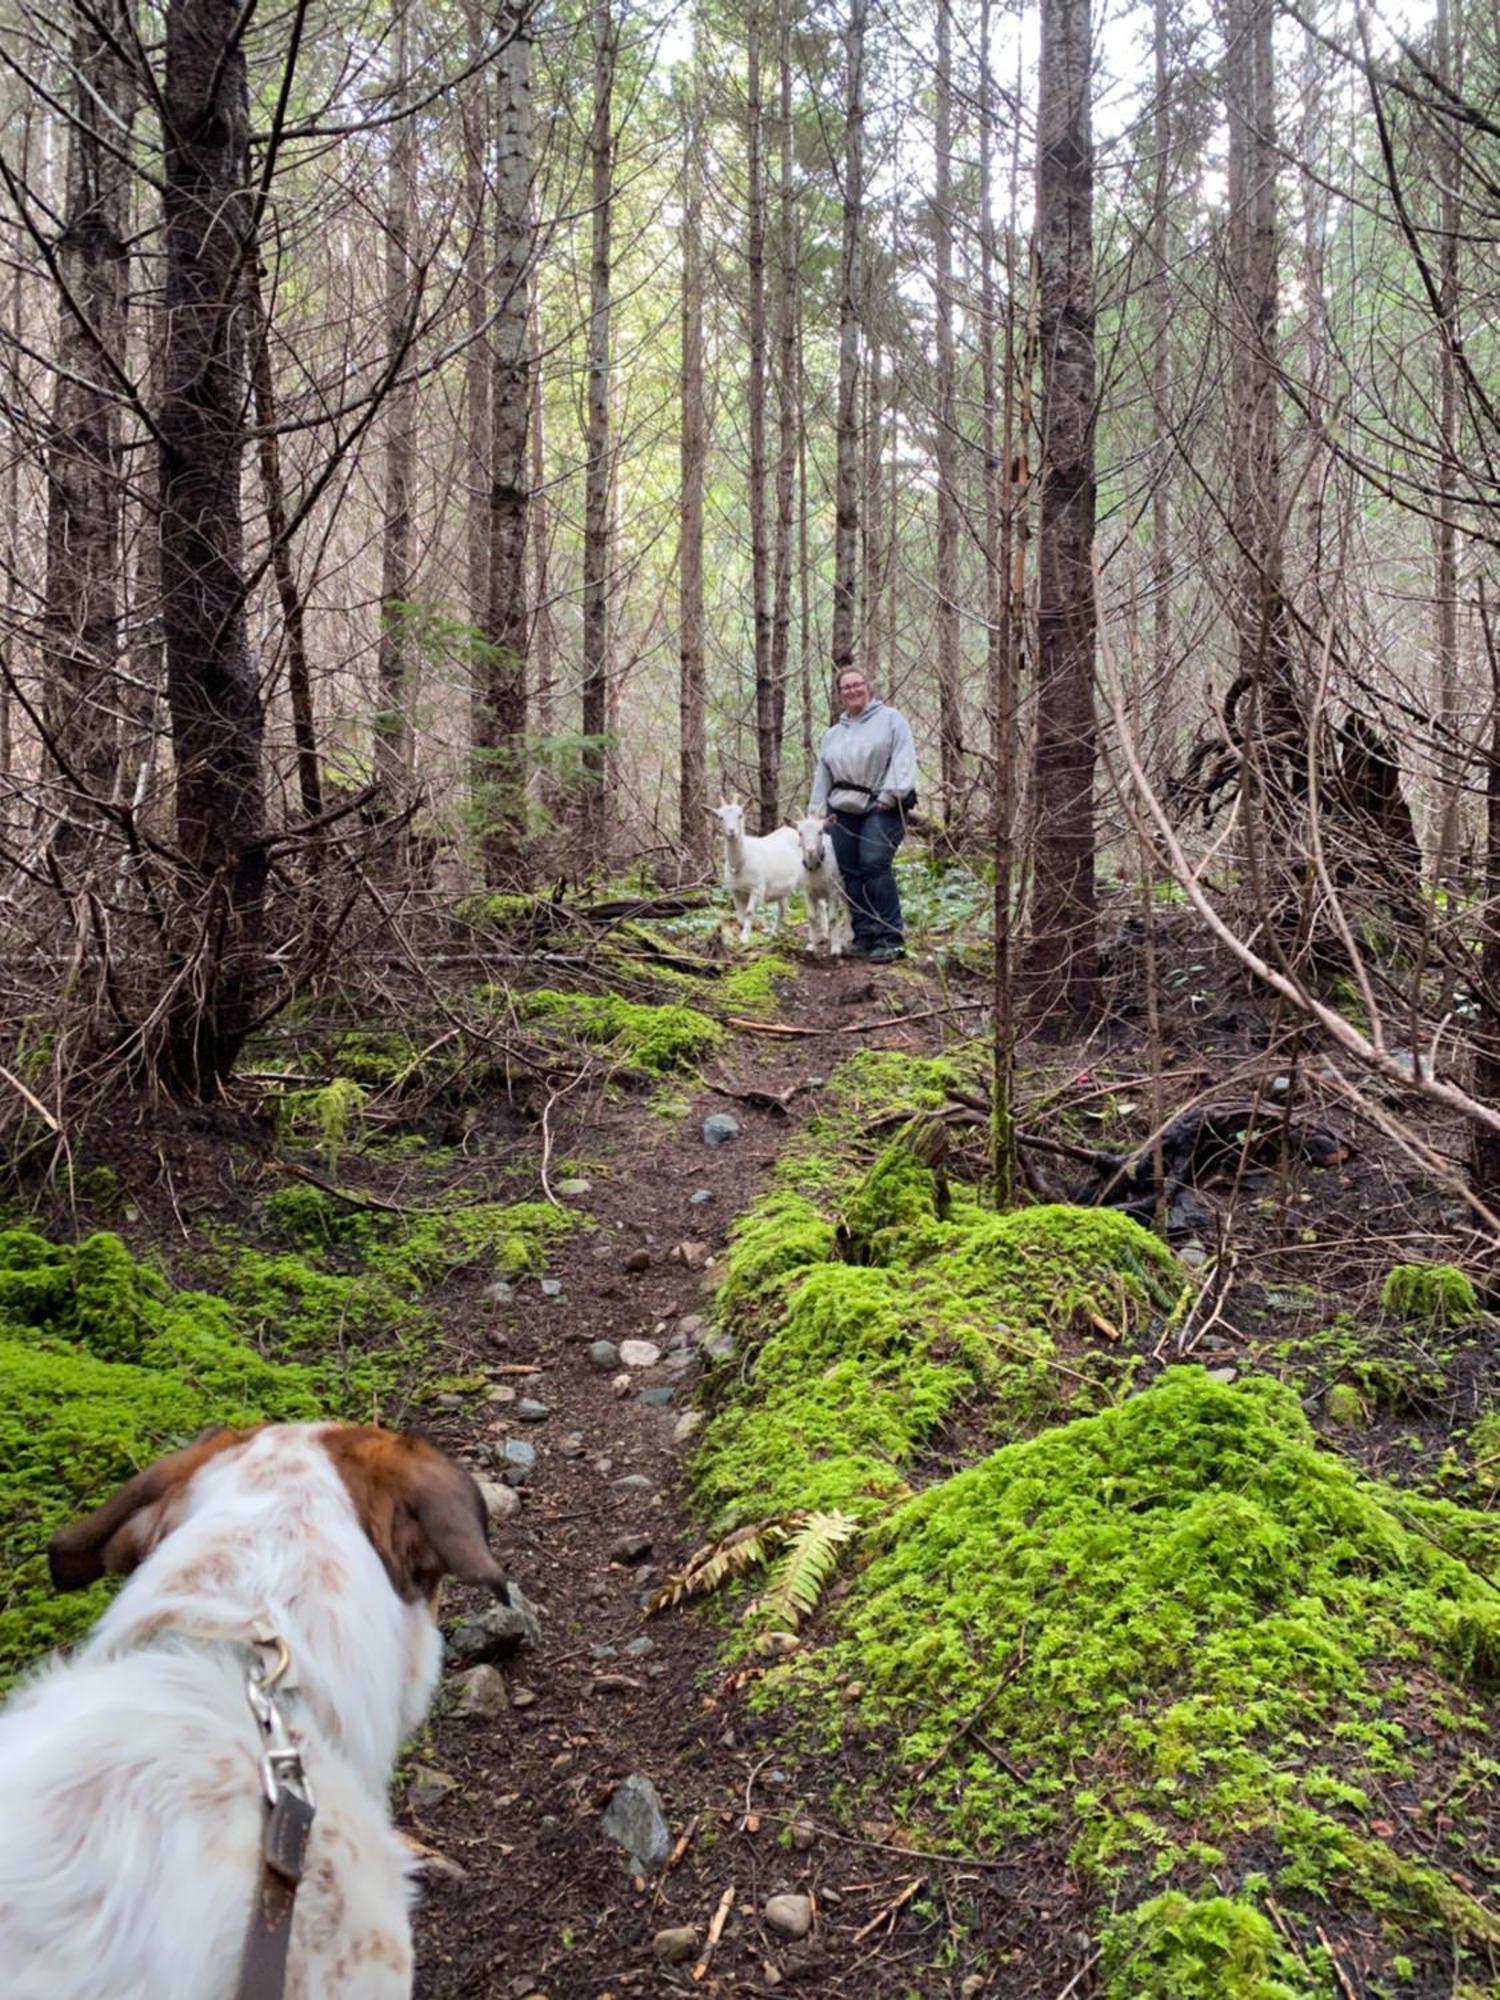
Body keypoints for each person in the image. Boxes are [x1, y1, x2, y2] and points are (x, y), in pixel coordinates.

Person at [807, 668, 917, 962]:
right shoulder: (832, 735)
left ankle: (891, 938)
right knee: (850, 871)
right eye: (846, 687)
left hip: (881, 805)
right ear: (840, 694)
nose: (852, 690)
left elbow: (904, 758)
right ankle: (865, 935)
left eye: (857, 684)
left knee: (874, 864)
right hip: (842, 809)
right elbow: (823, 774)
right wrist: (815, 813)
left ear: (867, 687)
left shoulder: (892, 720)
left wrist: (892, 794)